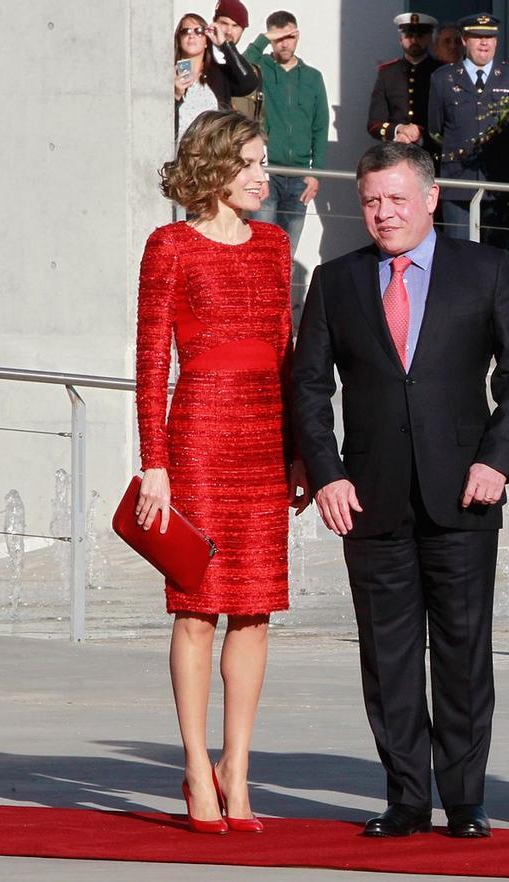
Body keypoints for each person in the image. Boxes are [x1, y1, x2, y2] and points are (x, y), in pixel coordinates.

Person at [292, 142, 509, 839]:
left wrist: (497, 459)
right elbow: (309, 386)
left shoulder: (485, 269)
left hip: (464, 493)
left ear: (431, 198)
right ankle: (406, 797)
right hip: (367, 496)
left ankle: (464, 801)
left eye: (397, 198)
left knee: (463, 652)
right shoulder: (336, 282)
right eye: (372, 200)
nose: (383, 213)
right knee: (388, 655)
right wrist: (327, 471)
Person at [136, 110, 308, 835]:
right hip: (200, 437)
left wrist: (300, 449)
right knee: (197, 608)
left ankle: (237, 769)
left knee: (256, 608)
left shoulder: (273, 246)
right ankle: (194, 763)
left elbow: (288, 352)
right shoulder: (169, 245)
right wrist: (155, 465)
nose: (265, 177)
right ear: (216, 167)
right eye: (255, 163)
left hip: (266, 439)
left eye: (265, 163)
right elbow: (150, 365)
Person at [245, 9, 329, 327]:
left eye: (290, 35)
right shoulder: (264, 68)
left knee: (285, 252)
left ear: (298, 35)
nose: (285, 42)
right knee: (262, 247)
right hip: (267, 174)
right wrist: (264, 40)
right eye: (279, 37)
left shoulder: (312, 78)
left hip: (299, 179)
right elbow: (245, 62)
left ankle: (279, 320)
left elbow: (321, 126)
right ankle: (257, 316)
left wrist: (316, 171)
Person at [426, 13, 509, 246]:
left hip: (499, 181)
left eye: (489, 37)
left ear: (496, 42)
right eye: (477, 36)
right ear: (464, 40)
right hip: (459, 180)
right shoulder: (443, 79)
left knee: (498, 255)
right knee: (458, 252)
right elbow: (435, 128)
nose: (484, 43)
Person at [173, 13, 259, 140]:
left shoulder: (218, 75)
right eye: (186, 31)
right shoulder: (167, 75)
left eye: (199, 31)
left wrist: (225, 45)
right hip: (179, 154)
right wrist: (176, 97)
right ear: (179, 40)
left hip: (212, 154)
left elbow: (249, 83)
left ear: (206, 41)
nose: (192, 35)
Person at [368, 13, 441, 158]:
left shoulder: (441, 72)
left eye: (420, 36)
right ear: (400, 39)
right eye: (408, 35)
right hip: (395, 154)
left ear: (430, 38)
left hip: (432, 156)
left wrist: (419, 135)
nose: (414, 40)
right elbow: (374, 124)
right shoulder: (387, 73)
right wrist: (399, 130)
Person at [211, 0, 266, 123]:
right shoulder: (202, 52)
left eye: (235, 26)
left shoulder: (238, 62)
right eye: (224, 23)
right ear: (214, 23)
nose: (229, 31)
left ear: (242, 30)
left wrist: (226, 47)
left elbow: (249, 83)